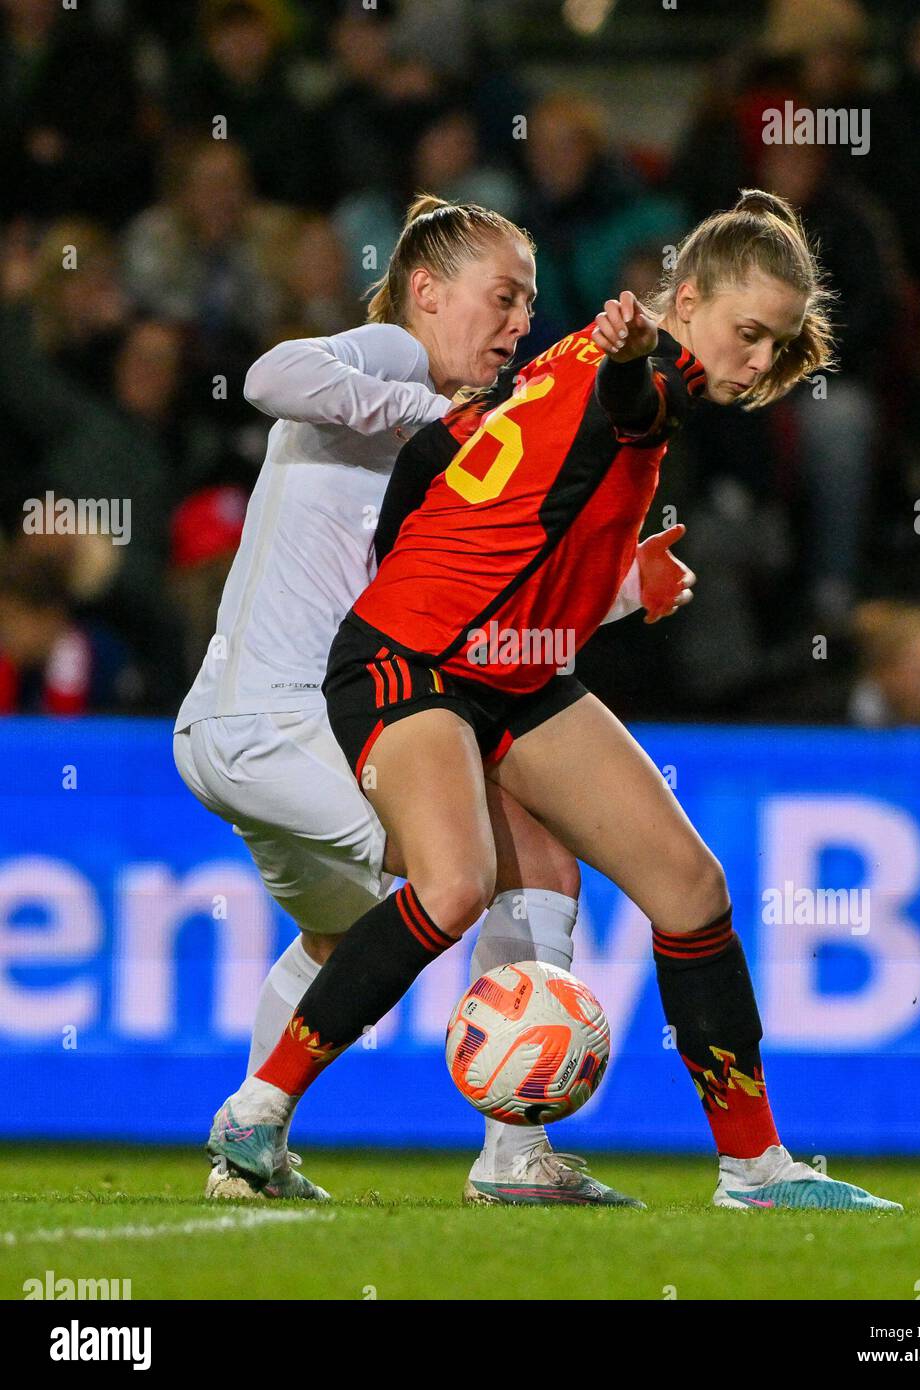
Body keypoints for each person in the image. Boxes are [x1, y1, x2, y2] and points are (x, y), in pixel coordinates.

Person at [211, 190, 902, 1211]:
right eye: (745, 332)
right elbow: (634, 410)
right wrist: (634, 364)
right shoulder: (641, 369)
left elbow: (457, 472)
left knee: (689, 889)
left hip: (516, 666)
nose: (755, 361)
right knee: (454, 885)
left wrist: (616, 579)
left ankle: (752, 1168)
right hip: (413, 662)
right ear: (688, 297)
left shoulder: (559, 359)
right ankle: (256, 1114)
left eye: (775, 343)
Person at [177, 196, 682, 1205]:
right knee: (518, 862)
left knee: (334, 941)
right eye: (502, 298)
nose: (518, 325)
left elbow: (472, 611)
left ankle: (251, 1153)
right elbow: (274, 376)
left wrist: (619, 590)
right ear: (425, 292)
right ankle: (511, 1158)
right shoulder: (397, 360)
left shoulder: (474, 450)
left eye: (529, 305)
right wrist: (430, 409)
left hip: (246, 731)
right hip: (276, 725)